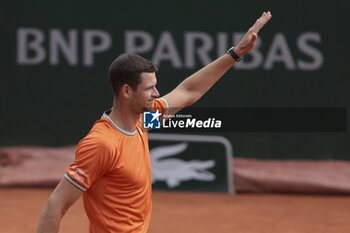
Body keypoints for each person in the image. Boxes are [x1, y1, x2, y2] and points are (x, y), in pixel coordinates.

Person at [36, 11, 272, 233]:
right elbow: (56, 205)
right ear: (127, 91)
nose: (157, 93)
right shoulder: (102, 144)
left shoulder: (142, 119)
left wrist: (235, 53)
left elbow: (189, 91)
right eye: (149, 89)